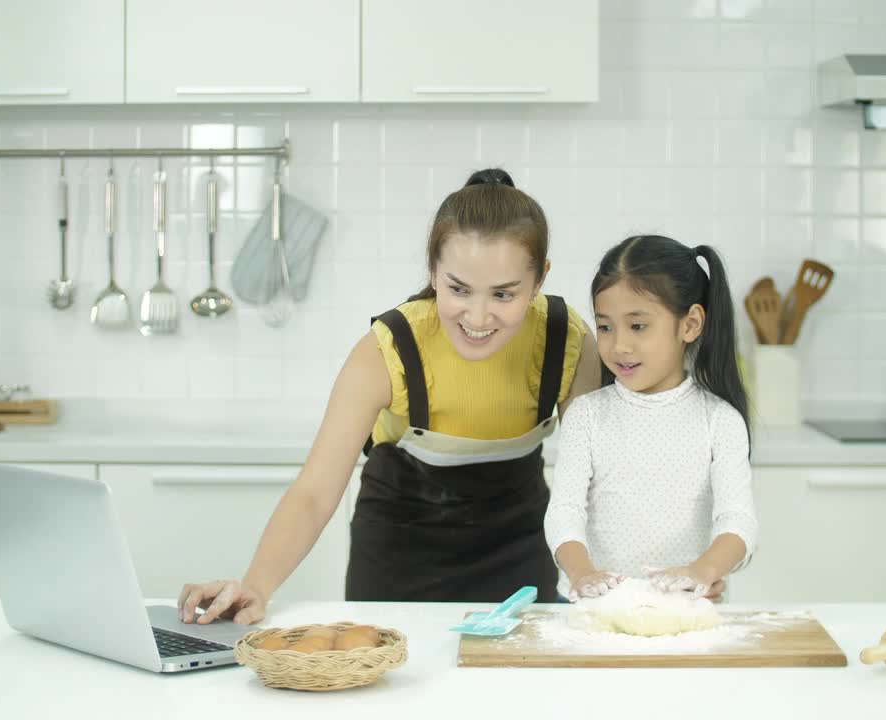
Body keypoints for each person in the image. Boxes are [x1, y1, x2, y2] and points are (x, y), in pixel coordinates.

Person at [179, 169, 602, 624]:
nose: (478, 316)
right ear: (433, 272)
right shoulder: (389, 348)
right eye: (458, 288)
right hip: (398, 557)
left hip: (518, 558)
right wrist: (257, 585)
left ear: (540, 280)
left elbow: (596, 481)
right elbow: (315, 492)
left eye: (504, 294)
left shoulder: (566, 341)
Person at [543, 235, 758, 603]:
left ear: (690, 324)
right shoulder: (587, 415)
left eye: (638, 326)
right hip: (594, 609)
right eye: (606, 327)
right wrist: (582, 575)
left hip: (687, 609)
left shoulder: (720, 421)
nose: (619, 345)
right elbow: (564, 512)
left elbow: (738, 522)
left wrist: (704, 570)